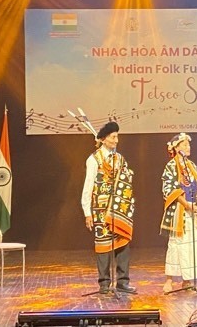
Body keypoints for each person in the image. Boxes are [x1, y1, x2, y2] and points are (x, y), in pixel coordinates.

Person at [80, 121, 137, 294]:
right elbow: (88, 185)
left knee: (123, 244)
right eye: (113, 137)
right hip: (101, 209)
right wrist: (87, 212)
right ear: (104, 139)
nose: (116, 140)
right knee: (103, 246)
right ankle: (104, 283)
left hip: (119, 209)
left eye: (117, 136)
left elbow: (127, 179)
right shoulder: (94, 159)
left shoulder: (119, 159)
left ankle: (122, 281)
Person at [160, 133, 197, 293]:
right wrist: (185, 203)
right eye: (184, 145)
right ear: (176, 148)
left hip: (194, 211)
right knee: (176, 245)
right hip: (180, 210)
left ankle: (187, 280)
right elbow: (169, 188)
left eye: (188, 145)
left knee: (193, 244)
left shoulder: (192, 166)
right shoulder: (171, 166)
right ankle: (169, 280)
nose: (188, 147)